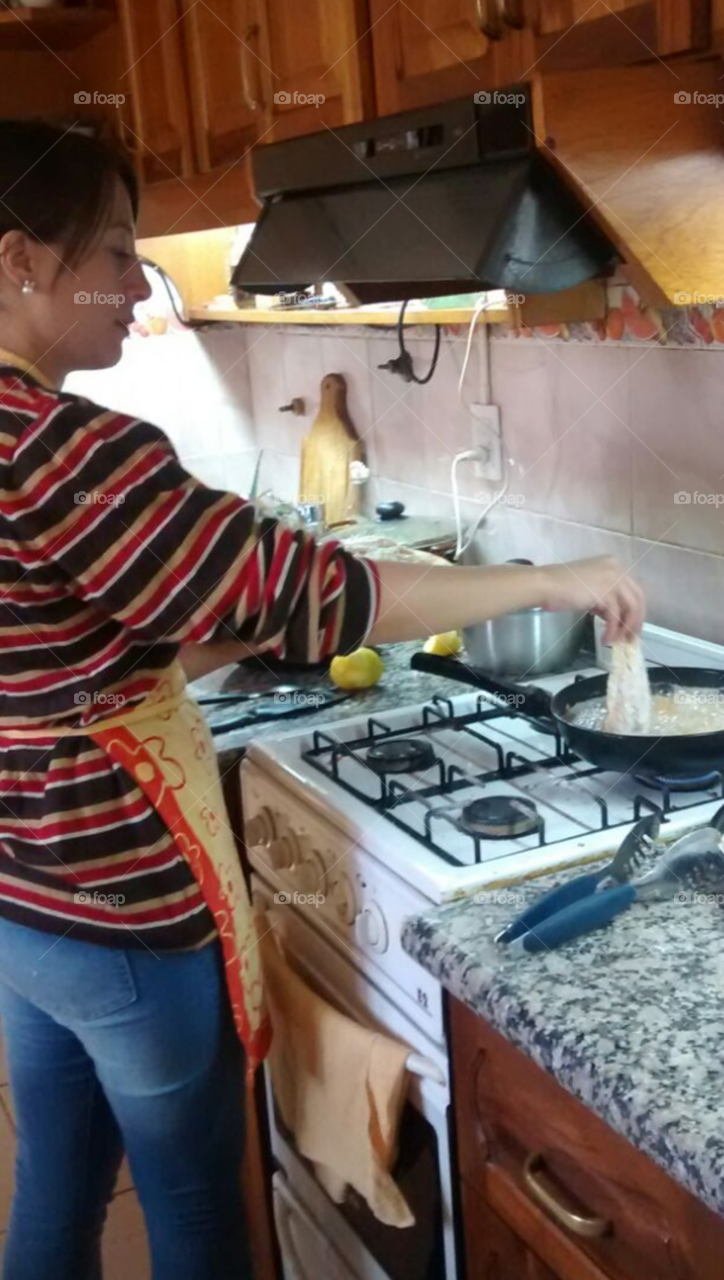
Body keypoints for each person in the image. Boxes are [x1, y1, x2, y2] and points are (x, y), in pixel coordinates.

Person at [0, 120, 645, 1280]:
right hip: (116, 897)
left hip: (24, 888)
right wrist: (558, 576)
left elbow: (55, 653)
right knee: (195, 1205)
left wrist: (194, 642)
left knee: (59, 1175)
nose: (134, 282)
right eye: (111, 251)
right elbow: (321, 592)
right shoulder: (66, 452)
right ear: (18, 262)